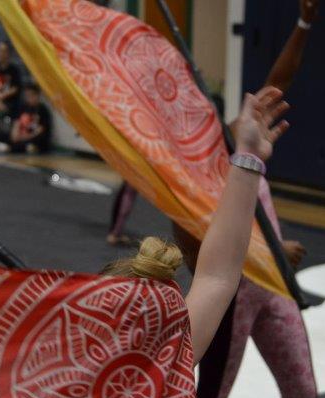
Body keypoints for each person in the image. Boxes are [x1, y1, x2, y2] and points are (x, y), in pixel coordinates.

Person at [183, 0, 319, 398]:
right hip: (231, 298)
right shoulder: (187, 175)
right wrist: (270, 251)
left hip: (272, 289)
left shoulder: (235, 137)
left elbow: (277, 86)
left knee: (303, 395)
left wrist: (303, 23)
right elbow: (198, 256)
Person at [104, 87, 290, 365]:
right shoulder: (167, 361)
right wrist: (249, 156)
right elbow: (216, 276)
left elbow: (216, 277)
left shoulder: (70, 375)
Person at [0, 83, 53, 154]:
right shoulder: (22, 108)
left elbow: (39, 132)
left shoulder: (42, 111)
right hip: (20, 137)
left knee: (35, 143)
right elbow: (16, 125)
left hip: (31, 138)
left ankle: (13, 147)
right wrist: (15, 136)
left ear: (37, 95)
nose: (28, 98)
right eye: (27, 96)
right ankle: (12, 147)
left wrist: (23, 137)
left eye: (31, 95)